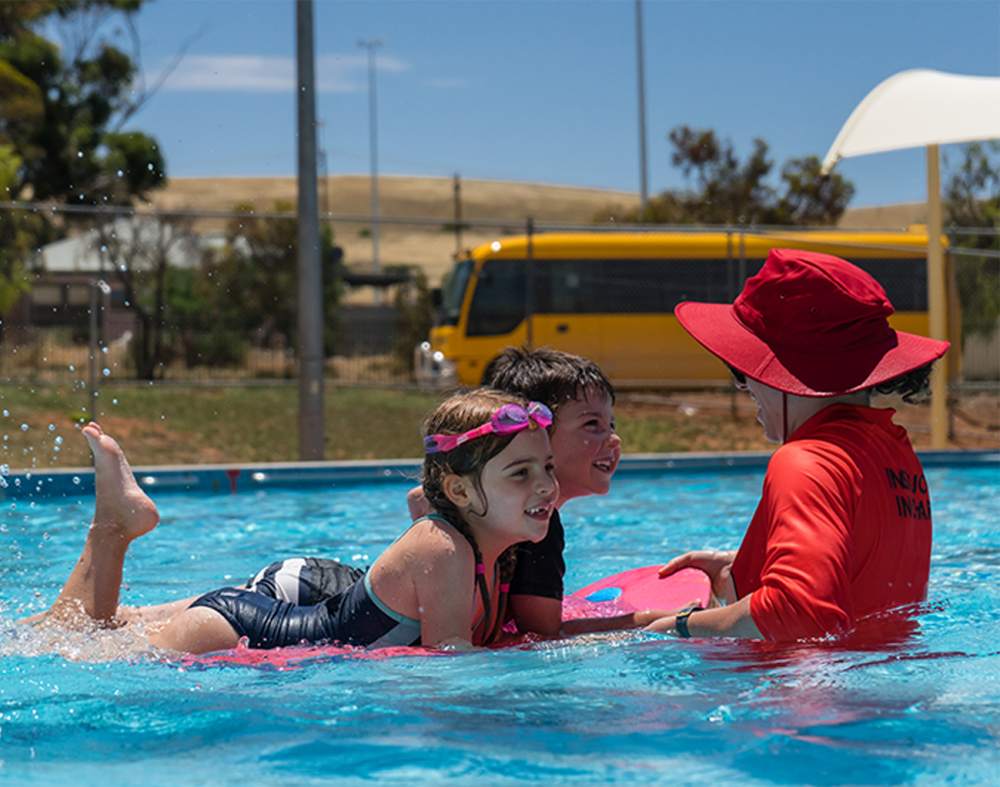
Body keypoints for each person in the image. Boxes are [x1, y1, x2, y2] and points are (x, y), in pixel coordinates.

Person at [33, 389, 558, 653]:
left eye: (547, 468)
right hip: (231, 631)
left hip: (262, 617)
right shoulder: (447, 548)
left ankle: (117, 521)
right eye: (520, 473)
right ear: (461, 489)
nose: (545, 485)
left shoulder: (490, 553)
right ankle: (113, 525)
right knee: (77, 648)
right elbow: (452, 677)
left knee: (84, 631)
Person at [246, 347, 663, 637]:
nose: (614, 439)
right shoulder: (536, 531)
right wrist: (658, 623)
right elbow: (543, 636)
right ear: (533, 434)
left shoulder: (525, 524)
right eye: (593, 425)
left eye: (610, 423)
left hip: (330, 595)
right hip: (304, 596)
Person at [648, 248, 950, 642]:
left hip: (805, 698)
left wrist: (682, 625)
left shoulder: (805, 461)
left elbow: (801, 612)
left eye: (742, 367)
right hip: (886, 692)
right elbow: (860, 579)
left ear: (784, 367)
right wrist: (739, 569)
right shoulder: (895, 454)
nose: (743, 385)